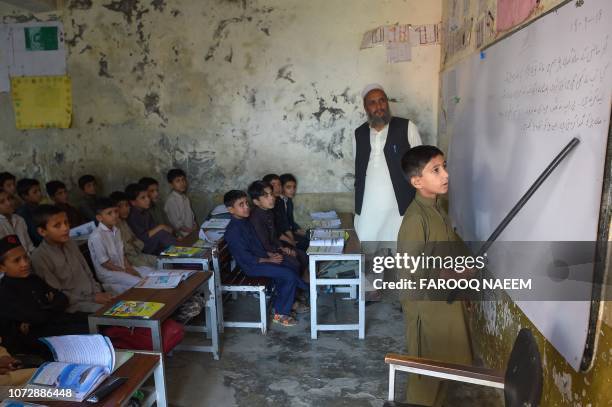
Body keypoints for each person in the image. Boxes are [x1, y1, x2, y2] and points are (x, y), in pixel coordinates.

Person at [396, 146, 472, 406]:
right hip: (426, 309)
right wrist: (448, 274)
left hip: (444, 303)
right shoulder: (416, 219)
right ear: (417, 181)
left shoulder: (438, 209)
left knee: (443, 371)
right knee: (426, 377)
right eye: (436, 170)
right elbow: (409, 269)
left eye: (445, 167)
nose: (446, 175)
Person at [223, 190, 308, 327]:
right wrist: (269, 260)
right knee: (288, 274)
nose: (246, 207)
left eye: (246, 203)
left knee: (289, 264)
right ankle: (280, 314)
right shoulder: (233, 231)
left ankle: (289, 299)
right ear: (231, 209)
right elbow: (246, 258)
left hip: (261, 258)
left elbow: (256, 246)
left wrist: (269, 255)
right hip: (251, 266)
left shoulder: (245, 222)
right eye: (241, 205)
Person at [353, 83, 423, 242]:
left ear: (387, 103)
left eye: (382, 100)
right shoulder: (359, 133)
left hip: (399, 199)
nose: (379, 106)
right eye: (372, 102)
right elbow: (359, 168)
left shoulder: (407, 127)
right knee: (366, 239)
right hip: (368, 201)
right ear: (365, 108)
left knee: (400, 241)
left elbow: (420, 165)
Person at [0, 235, 89, 356]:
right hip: (38, 343)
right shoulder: (5, 292)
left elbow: (62, 299)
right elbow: (38, 317)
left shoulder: (33, 279)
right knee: (88, 333)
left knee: (92, 320)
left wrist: (48, 308)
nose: (25, 263)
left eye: (25, 257)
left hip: (56, 324)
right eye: (17, 260)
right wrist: (51, 305)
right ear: (2, 267)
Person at [30, 205, 113, 313]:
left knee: (124, 304)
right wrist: (93, 298)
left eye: (66, 222)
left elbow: (87, 271)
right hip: (73, 305)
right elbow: (58, 294)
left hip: (94, 294)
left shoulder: (71, 243)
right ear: (42, 231)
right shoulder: (39, 257)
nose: (65, 228)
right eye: (57, 225)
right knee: (111, 313)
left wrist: (97, 292)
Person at [248, 181, 309, 287]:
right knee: (293, 262)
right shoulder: (256, 218)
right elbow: (264, 243)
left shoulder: (269, 212)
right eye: (266, 196)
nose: (271, 198)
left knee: (302, 255)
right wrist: (282, 251)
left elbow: (274, 236)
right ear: (256, 201)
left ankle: (299, 287)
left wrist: (283, 247)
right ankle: (298, 289)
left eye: (271, 194)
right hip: (264, 253)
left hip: (274, 248)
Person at [88, 198, 153, 295]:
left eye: (115, 211)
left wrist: (129, 268)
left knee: (151, 272)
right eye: (109, 213)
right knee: (139, 282)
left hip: (121, 267)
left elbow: (121, 253)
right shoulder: (96, 236)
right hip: (108, 272)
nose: (114, 215)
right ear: (99, 218)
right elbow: (105, 263)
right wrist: (124, 271)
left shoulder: (116, 230)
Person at [110, 191, 157, 268]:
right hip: (129, 259)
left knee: (162, 262)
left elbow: (135, 241)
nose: (125, 209)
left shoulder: (124, 222)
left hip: (138, 253)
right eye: (120, 206)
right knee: (151, 268)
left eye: (127, 205)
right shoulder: (114, 227)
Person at [126, 183, 176, 255]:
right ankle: (181, 255)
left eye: (148, 196)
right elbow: (143, 237)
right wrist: (161, 227)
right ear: (133, 202)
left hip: (153, 241)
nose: (148, 200)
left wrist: (162, 228)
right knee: (161, 234)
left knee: (164, 234)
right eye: (143, 198)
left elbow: (153, 228)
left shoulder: (146, 212)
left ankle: (179, 254)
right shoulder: (132, 216)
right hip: (142, 246)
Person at [262, 174, 295, 247]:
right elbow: (274, 231)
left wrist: (291, 239)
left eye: (279, 184)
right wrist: (290, 241)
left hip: (282, 236)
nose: (277, 188)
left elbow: (286, 223)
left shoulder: (280, 201)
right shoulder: (267, 206)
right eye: (273, 185)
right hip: (275, 241)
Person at [163, 169, 197, 238]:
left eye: (183, 180)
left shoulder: (185, 197)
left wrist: (195, 226)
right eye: (178, 181)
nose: (182, 183)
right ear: (171, 185)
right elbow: (177, 225)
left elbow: (192, 216)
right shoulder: (171, 201)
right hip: (183, 236)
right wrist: (190, 231)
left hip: (192, 232)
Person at [279, 173, 309, 250]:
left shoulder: (288, 201)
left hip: (290, 232)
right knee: (305, 244)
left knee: (310, 237)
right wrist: (291, 240)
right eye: (288, 187)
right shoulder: (278, 203)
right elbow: (283, 226)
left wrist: (303, 232)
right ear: (281, 187)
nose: (292, 190)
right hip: (281, 236)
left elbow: (291, 221)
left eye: (294, 187)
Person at [0, 188, 34, 254]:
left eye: (9, 198)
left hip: (28, 258)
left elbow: (30, 246)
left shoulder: (19, 219)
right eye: (2, 202)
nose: (9, 203)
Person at [15, 178, 43, 246]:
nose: (39, 194)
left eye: (39, 190)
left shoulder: (41, 208)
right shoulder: (24, 213)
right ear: (25, 196)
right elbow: (36, 235)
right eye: (35, 192)